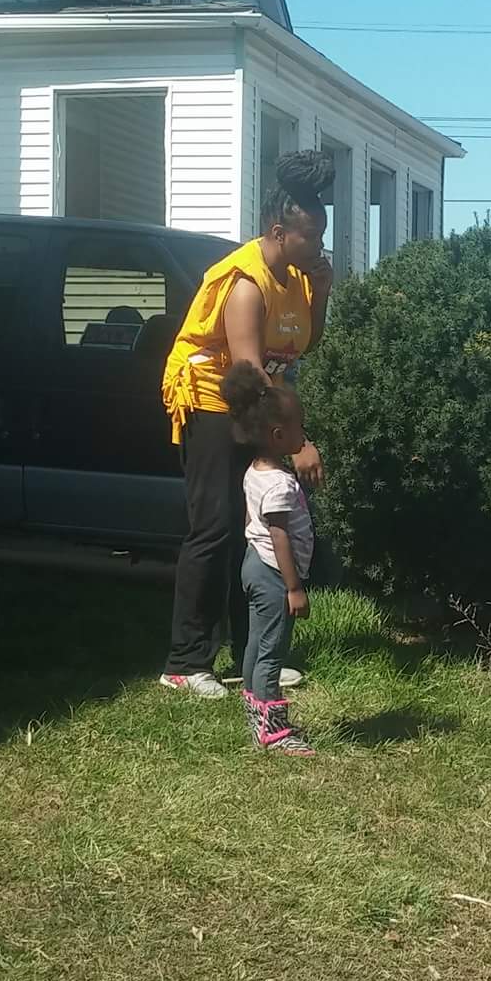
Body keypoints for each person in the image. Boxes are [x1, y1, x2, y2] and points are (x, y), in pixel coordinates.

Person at [159, 150, 334, 698]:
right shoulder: (245, 282)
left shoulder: (298, 278)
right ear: (280, 232)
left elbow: (305, 342)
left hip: (256, 406)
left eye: (323, 235)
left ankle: (252, 652)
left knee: (256, 530)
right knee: (215, 527)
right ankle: (185, 662)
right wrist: (298, 442)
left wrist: (323, 292)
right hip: (216, 401)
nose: (319, 246)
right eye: (311, 237)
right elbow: (250, 374)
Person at [221, 363, 316, 755]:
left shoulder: (255, 472)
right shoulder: (278, 482)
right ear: (279, 436)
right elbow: (279, 536)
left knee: (256, 645)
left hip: (253, 563)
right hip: (275, 573)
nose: (303, 435)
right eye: (299, 428)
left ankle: (255, 716)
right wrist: (294, 588)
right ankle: (272, 731)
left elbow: (251, 519)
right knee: (271, 650)